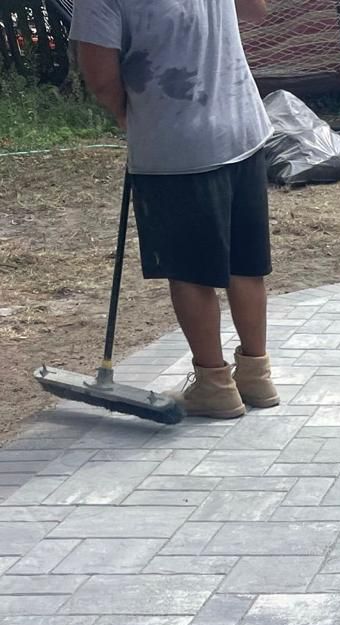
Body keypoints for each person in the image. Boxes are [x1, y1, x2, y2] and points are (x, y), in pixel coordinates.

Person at [71, 0, 279, 418]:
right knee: (244, 262)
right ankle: (256, 376)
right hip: (242, 126)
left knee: (189, 270)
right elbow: (256, 9)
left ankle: (215, 385)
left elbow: (100, 78)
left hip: (177, 142)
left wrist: (132, 121)